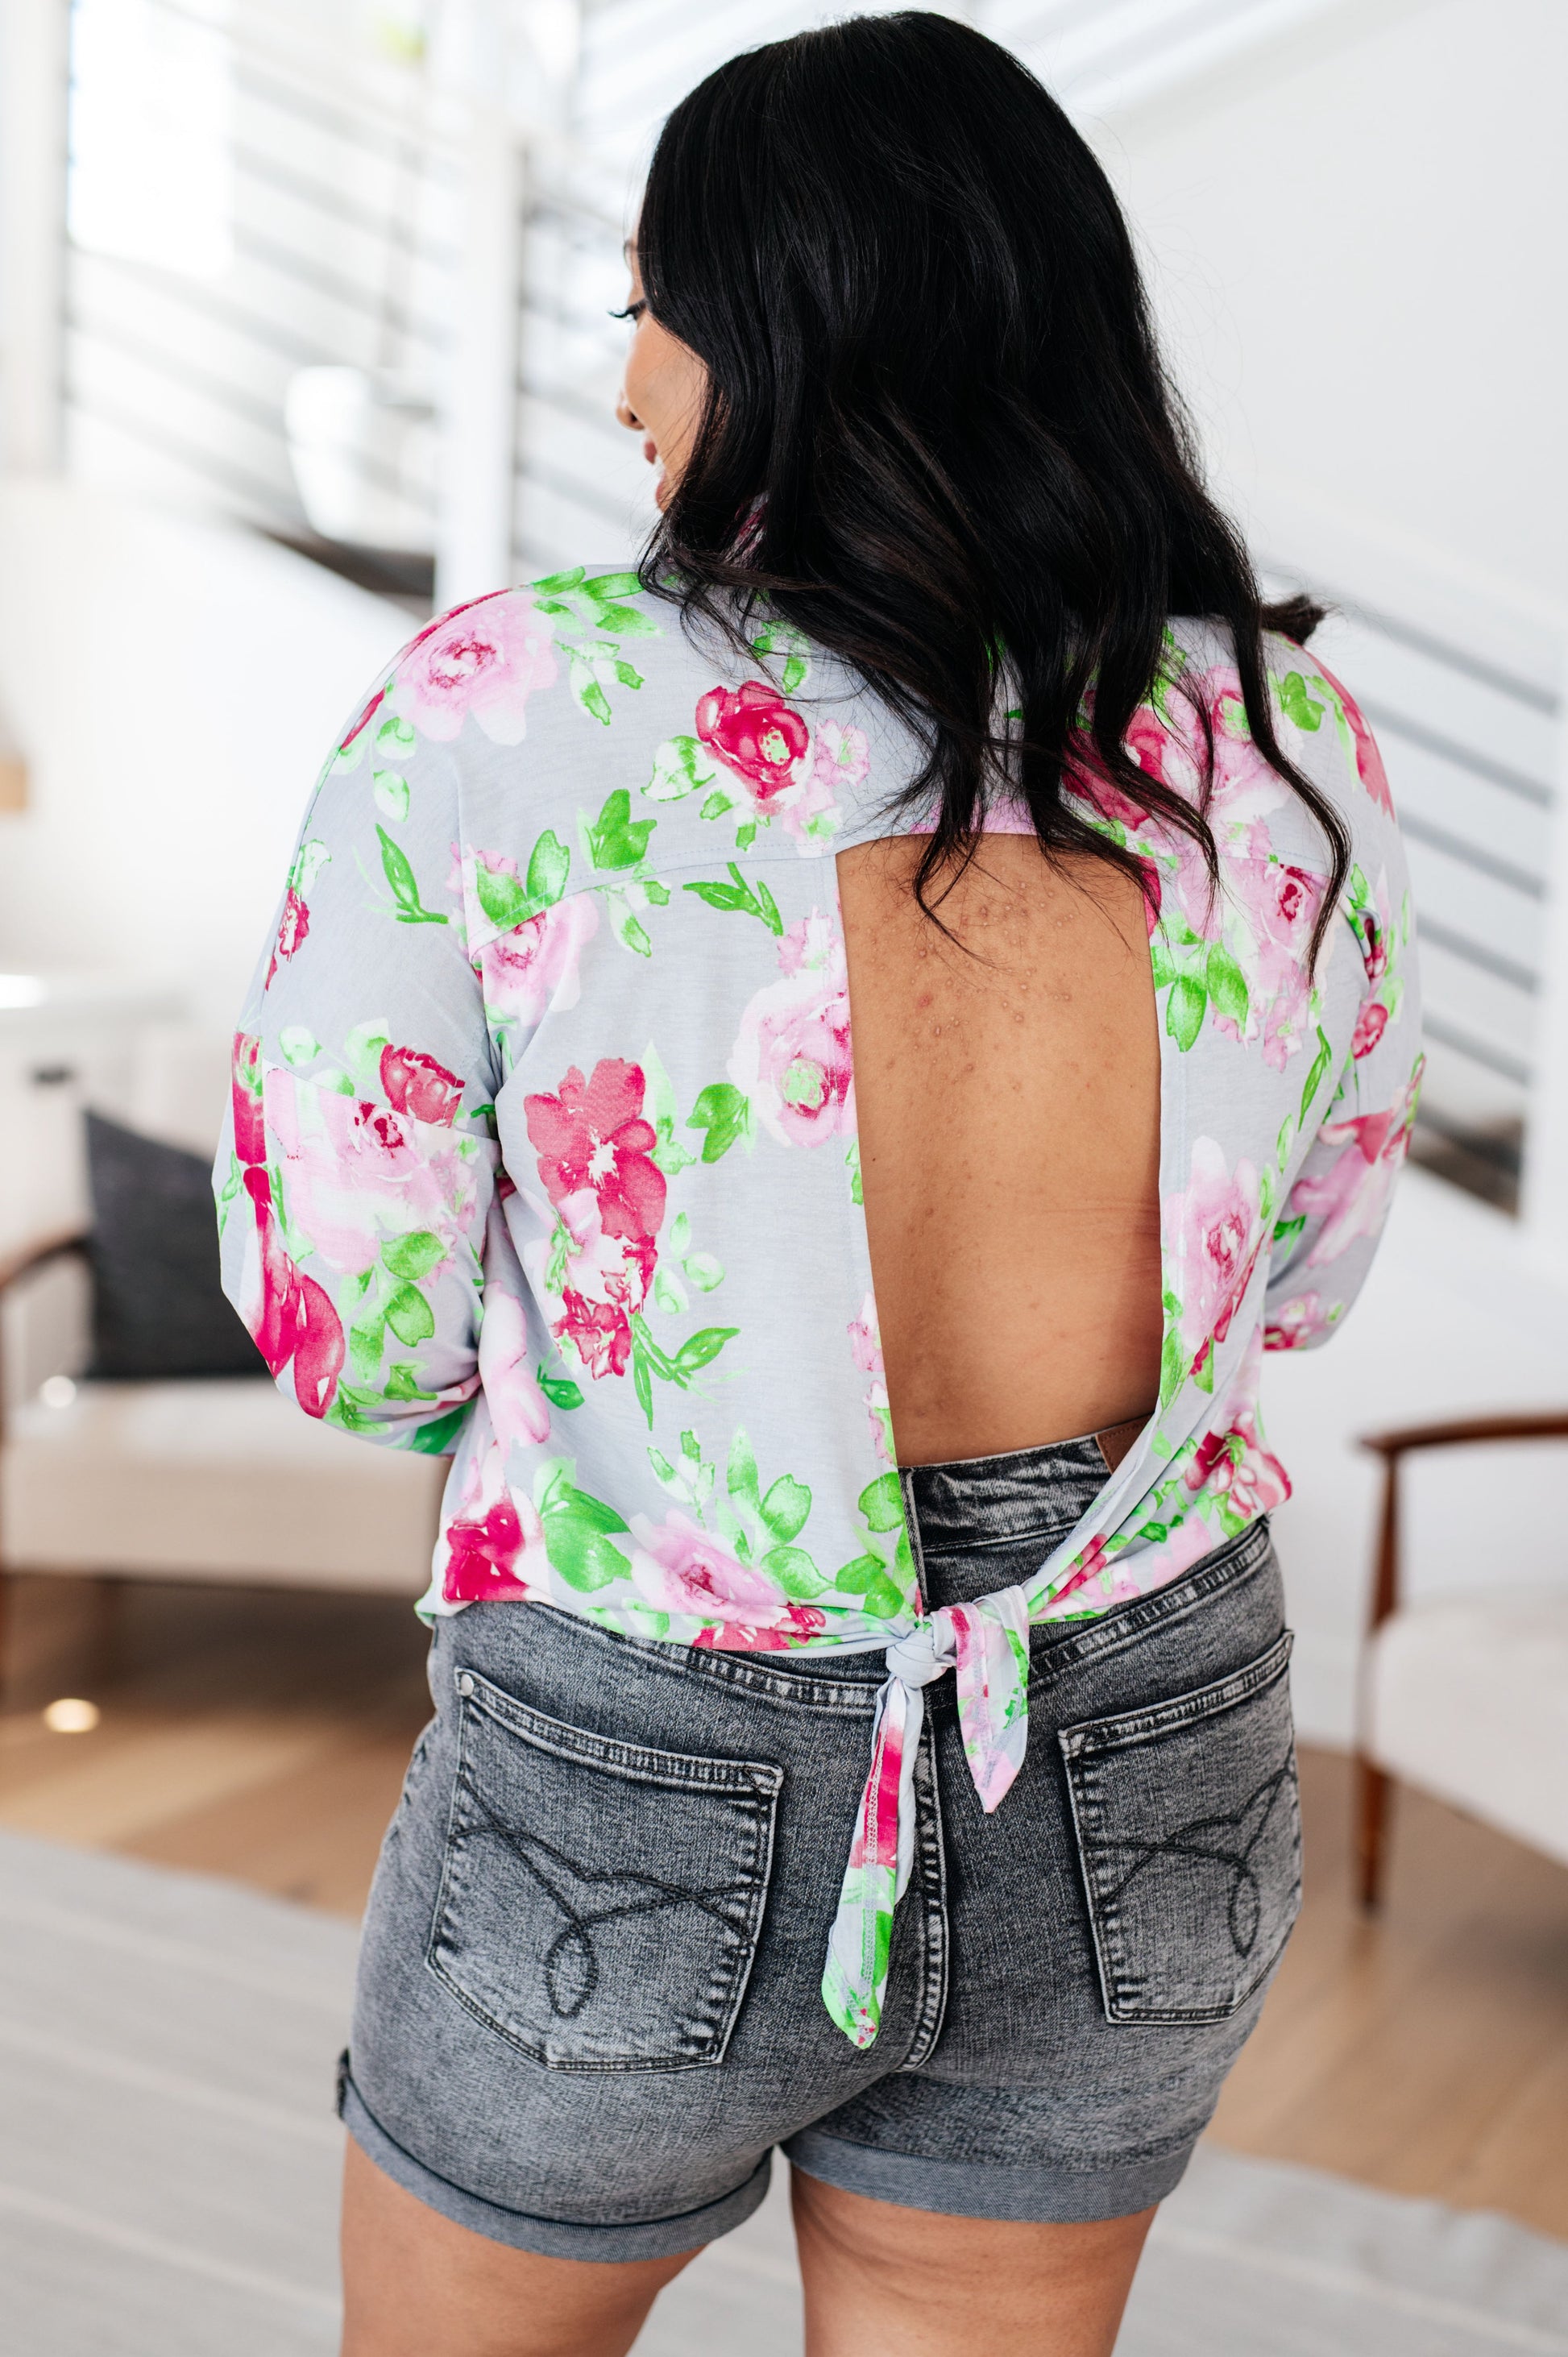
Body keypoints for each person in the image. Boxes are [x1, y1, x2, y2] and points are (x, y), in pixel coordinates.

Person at [216, 15, 1419, 2353]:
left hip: (656, 1720)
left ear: (778, 328)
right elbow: (1311, 1262)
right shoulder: (1278, 736)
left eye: (652, 306)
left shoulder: (510, 705)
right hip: (1142, 1718)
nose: (626, 384)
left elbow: (353, 1326)